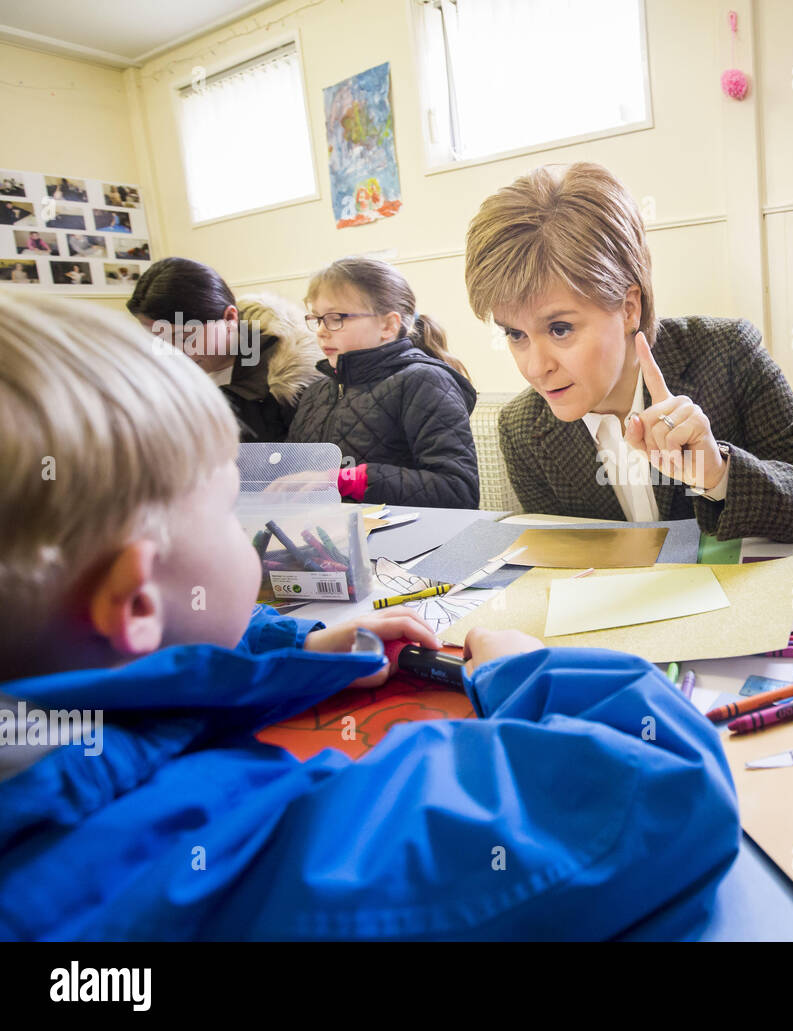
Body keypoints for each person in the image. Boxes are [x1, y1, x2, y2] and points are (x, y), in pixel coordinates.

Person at [0, 294, 739, 940]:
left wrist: (295, 645)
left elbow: (150, 671)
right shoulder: (212, 856)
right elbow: (667, 790)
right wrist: (527, 668)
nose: (535, 361)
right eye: (229, 505)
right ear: (134, 598)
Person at [464, 162, 793, 542]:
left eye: (560, 329)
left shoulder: (728, 354)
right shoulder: (522, 428)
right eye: (515, 335)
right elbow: (570, 570)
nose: (535, 368)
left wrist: (720, 474)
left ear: (629, 307)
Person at [288, 256, 479, 508]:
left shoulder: (424, 382)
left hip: (404, 543)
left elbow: (458, 490)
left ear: (388, 325)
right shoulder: (316, 393)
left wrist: (351, 480)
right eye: (317, 319)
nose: (322, 331)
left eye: (336, 318)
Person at [129, 257, 325, 444]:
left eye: (184, 337)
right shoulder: (160, 377)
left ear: (230, 318)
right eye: (158, 339)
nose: (174, 353)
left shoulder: (288, 383)